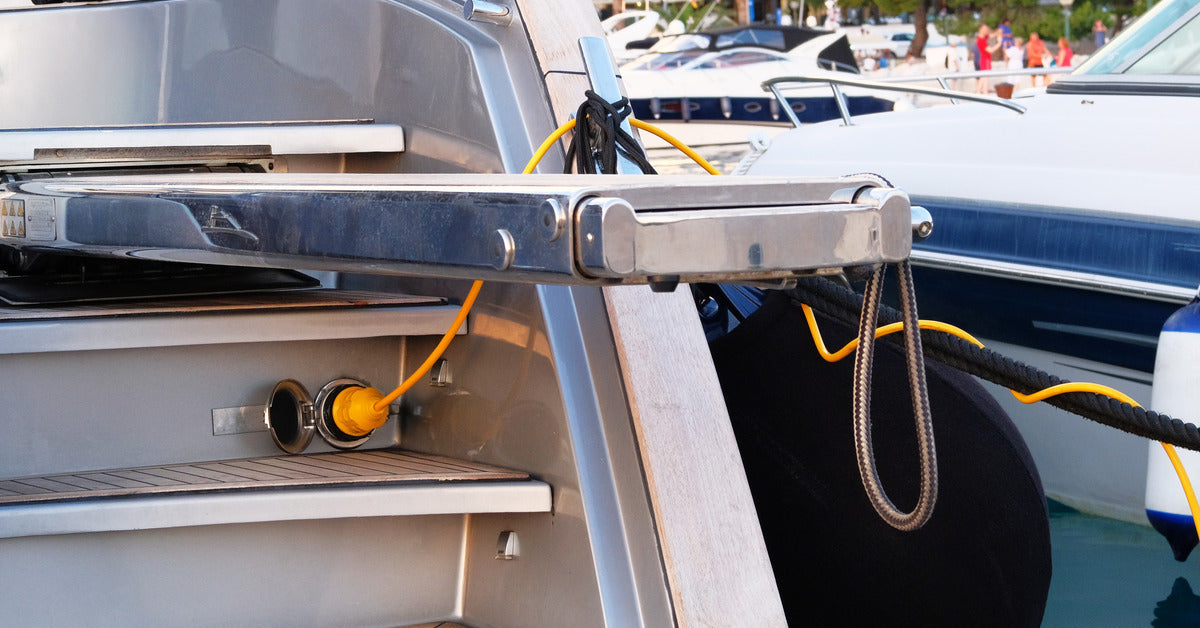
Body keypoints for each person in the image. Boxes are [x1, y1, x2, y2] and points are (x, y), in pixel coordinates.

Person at [975, 24, 1001, 94]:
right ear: (981, 30)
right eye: (985, 29)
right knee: (985, 78)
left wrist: (998, 32)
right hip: (985, 60)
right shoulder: (981, 41)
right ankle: (985, 93)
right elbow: (991, 50)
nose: (987, 31)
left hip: (985, 60)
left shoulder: (982, 38)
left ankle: (978, 92)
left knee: (983, 77)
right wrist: (999, 43)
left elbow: (992, 35)